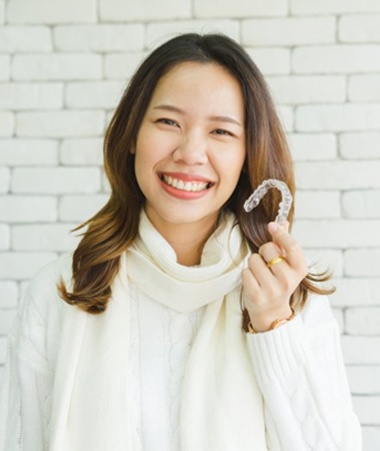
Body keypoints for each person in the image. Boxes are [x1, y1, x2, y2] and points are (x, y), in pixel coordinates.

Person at [0, 33, 361, 451]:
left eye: (222, 132)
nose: (191, 152)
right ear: (132, 135)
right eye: (168, 122)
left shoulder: (291, 297)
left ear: (248, 152)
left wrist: (274, 326)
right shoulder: (60, 292)